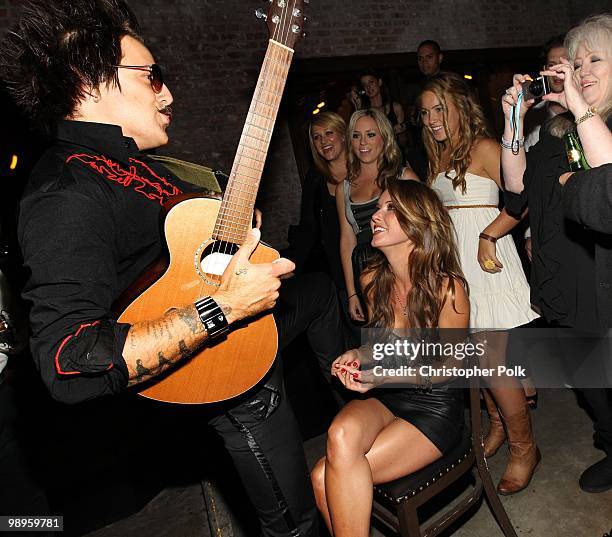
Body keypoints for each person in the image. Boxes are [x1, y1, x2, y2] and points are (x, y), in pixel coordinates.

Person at [0, 1, 322, 534]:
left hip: (249, 350)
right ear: (89, 80)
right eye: (152, 77)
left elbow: (181, 243)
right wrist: (224, 308)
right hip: (221, 380)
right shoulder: (65, 192)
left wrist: (231, 224)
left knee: (323, 298)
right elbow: (68, 360)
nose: (167, 93)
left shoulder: (137, 166)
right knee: (295, 525)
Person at [310, 179, 469, 537]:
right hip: (388, 397)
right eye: (379, 207)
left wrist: (382, 376)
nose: (375, 216)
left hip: (433, 407)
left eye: (389, 208)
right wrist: (357, 354)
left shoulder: (448, 287)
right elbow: (383, 349)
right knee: (340, 433)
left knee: (323, 477)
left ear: (419, 223)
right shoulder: (371, 278)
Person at [501, 13, 612, 493]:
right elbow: (514, 192)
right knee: (591, 386)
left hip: (602, 280)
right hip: (562, 280)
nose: (581, 69)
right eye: (575, 60)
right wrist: (512, 121)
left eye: (594, 59)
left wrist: (580, 110)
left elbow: (608, 189)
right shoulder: (555, 133)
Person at [419, 72, 540, 494]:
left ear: (459, 106)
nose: (432, 119)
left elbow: (523, 202)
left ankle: (525, 448)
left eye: (439, 108)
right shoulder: (439, 154)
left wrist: (488, 235)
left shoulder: (486, 147)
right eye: (425, 112)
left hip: (487, 262)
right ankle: (497, 427)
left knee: (493, 363)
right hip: (456, 267)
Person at [337, 109, 417, 325]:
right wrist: (352, 293)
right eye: (356, 135)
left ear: (385, 137)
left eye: (370, 134)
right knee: (381, 339)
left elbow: (425, 226)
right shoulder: (343, 187)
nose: (363, 142)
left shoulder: (403, 176)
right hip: (364, 269)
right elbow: (347, 240)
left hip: (403, 267)